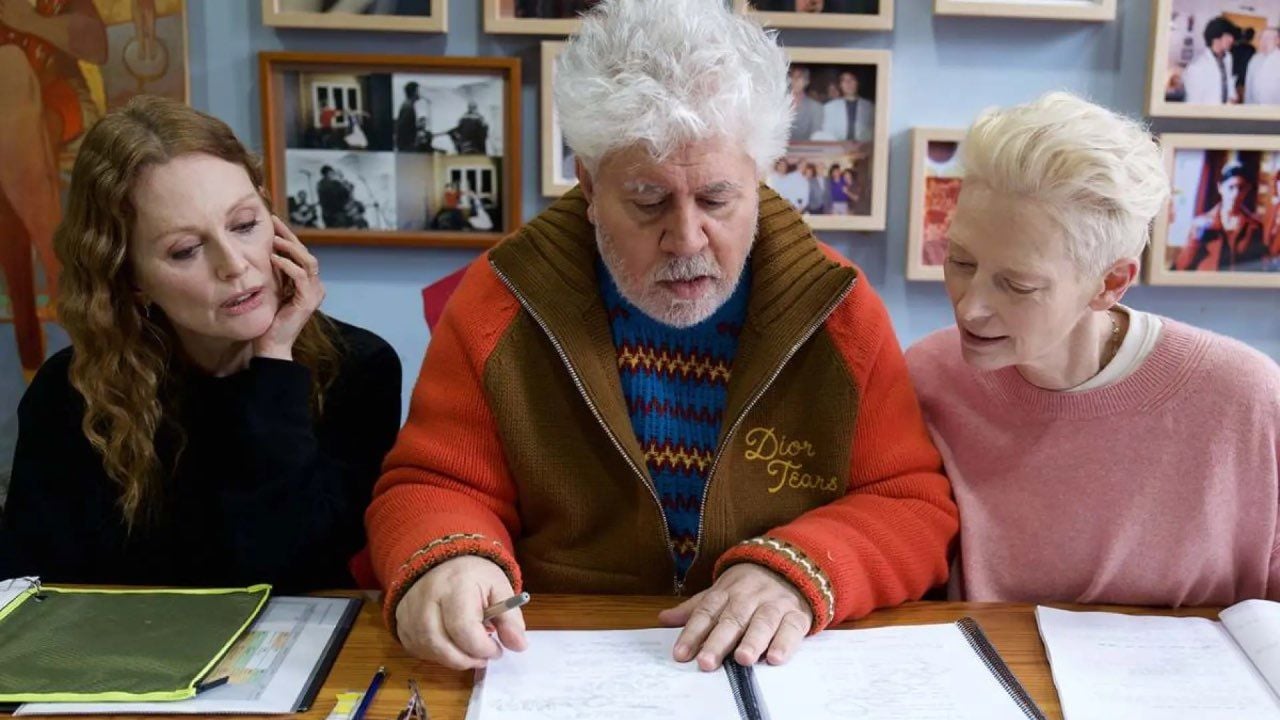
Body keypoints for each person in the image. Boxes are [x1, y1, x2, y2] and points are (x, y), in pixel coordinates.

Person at [368, 0, 955, 674]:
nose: (685, 238)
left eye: (716, 199)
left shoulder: (839, 311)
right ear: (588, 184)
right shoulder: (499, 300)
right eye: (647, 201)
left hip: (770, 665)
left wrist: (800, 569)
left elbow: (911, 504)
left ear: (759, 178)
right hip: (560, 657)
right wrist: (451, 557)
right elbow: (432, 483)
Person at [0, 96, 402, 590]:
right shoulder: (70, 390)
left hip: (292, 655)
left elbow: (294, 566)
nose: (234, 264)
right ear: (130, 277)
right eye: (185, 250)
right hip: (114, 658)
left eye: (244, 224)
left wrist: (274, 364)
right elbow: (25, 581)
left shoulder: (360, 367)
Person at [906, 92, 1280, 607]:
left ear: (1111, 282)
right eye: (961, 263)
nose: (970, 309)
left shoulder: (1245, 397)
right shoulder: (928, 377)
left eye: (1017, 285)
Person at [0, 0, 107, 372]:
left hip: (57, 101)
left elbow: (97, 46)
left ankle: (31, 355)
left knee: (10, 68)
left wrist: (27, 20)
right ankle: (59, 266)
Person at [1174, 162, 1267, 272]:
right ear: (1220, 188)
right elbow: (1182, 265)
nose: (1235, 193)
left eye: (1241, 188)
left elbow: (1257, 265)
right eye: (1231, 187)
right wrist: (1196, 239)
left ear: (1247, 190)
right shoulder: (1201, 224)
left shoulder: (1254, 226)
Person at [1182, 16, 1239, 105]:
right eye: (1228, 36)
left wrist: (1232, 96)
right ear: (1216, 38)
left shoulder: (1228, 57)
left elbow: (1228, 80)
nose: (1232, 40)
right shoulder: (1197, 66)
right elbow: (1193, 101)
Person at [821, 70, 874, 142]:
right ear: (840, 85)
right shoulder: (828, 107)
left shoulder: (870, 107)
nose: (848, 83)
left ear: (857, 82)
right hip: (837, 147)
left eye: (851, 79)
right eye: (844, 80)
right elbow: (827, 132)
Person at [786, 66, 823, 142]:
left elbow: (816, 136)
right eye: (793, 77)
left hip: (806, 150)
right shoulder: (778, 105)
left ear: (807, 81)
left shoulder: (815, 107)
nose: (795, 80)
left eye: (799, 77)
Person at [1244, 28, 1280, 106]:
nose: (1263, 41)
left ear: (1277, 40)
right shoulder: (1255, 59)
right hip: (1255, 109)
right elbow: (1249, 84)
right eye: (1261, 38)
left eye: (1267, 38)